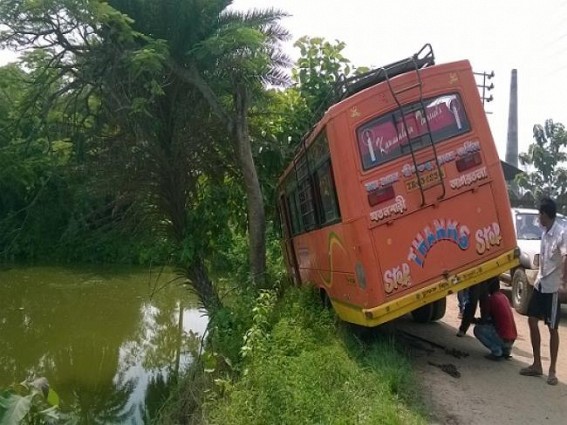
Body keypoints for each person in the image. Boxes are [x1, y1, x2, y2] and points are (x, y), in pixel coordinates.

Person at [519, 197, 567, 386]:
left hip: (553, 289)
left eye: (539, 214)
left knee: (552, 328)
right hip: (540, 284)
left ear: (545, 215)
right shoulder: (545, 231)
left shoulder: (561, 233)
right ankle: (537, 364)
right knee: (531, 321)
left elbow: (565, 257)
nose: (538, 218)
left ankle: (552, 370)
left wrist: (564, 283)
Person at [473, 278, 517, 360]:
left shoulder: (491, 299)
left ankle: (497, 352)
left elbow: (485, 320)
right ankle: (506, 351)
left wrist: (474, 320)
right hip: (511, 338)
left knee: (478, 329)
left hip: (503, 338)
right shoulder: (503, 297)